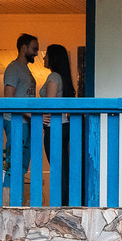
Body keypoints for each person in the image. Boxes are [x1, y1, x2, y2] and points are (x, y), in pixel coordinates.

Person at [40, 44, 74, 204]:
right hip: (63, 126)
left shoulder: (53, 77)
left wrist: (39, 118)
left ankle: (60, 204)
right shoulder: (62, 77)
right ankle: (64, 202)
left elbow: (49, 104)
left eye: (46, 55)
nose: (43, 57)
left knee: (57, 168)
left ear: (53, 58)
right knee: (62, 167)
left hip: (55, 128)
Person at [2, 33, 39, 179]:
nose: (36, 53)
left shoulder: (25, 69)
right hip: (15, 121)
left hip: (27, 122)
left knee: (23, 165)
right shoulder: (13, 68)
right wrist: (31, 115)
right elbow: (9, 98)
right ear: (24, 48)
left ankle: (18, 199)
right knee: (14, 163)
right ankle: (9, 201)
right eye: (34, 49)